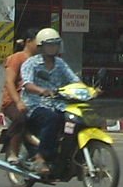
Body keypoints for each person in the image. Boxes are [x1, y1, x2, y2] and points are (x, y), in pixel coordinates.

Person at [19, 28, 80, 176]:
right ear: (41, 46)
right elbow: (27, 83)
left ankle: (66, 155)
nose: (53, 48)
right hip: (35, 104)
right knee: (51, 118)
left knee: (74, 120)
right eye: (49, 45)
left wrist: (88, 90)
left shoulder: (60, 64)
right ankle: (40, 157)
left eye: (55, 44)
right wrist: (41, 90)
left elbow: (74, 80)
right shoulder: (31, 63)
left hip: (58, 104)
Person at [1, 28, 39, 163]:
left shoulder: (42, 60)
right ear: (28, 42)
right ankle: (13, 152)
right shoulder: (17, 58)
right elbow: (9, 82)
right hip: (13, 101)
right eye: (38, 42)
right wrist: (18, 102)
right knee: (21, 117)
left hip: (36, 100)